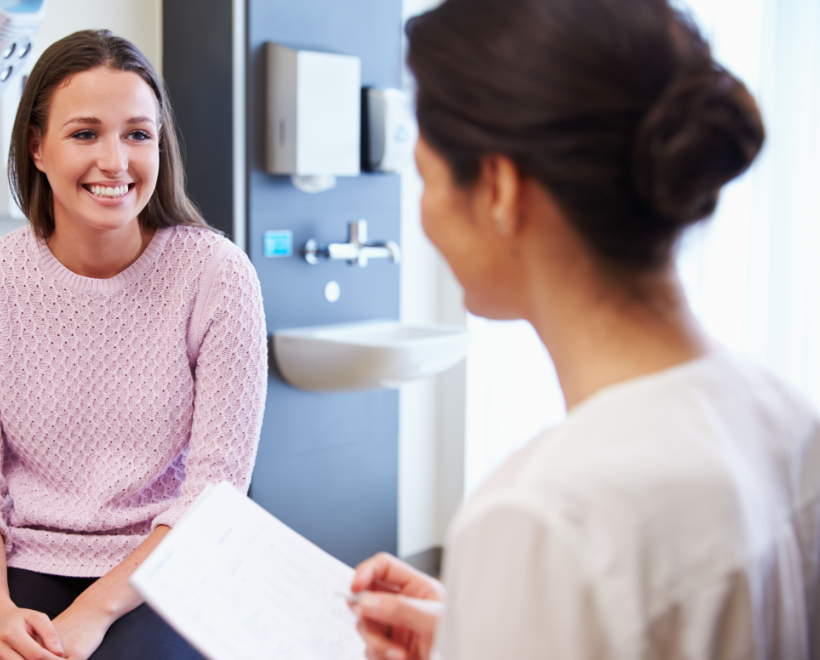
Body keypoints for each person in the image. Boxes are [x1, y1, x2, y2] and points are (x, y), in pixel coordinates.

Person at [349, 0, 820, 658]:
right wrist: (479, 632)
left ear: (498, 188)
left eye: (425, 178)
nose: (423, 217)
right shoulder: (785, 418)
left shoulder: (544, 514)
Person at [0, 30, 267, 660]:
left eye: (137, 134)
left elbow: (215, 496)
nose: (116, 161)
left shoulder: (217, 277)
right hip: (26, 559)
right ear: (37, 146)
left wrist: (91, 614)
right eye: (85, 134)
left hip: (167, 559)